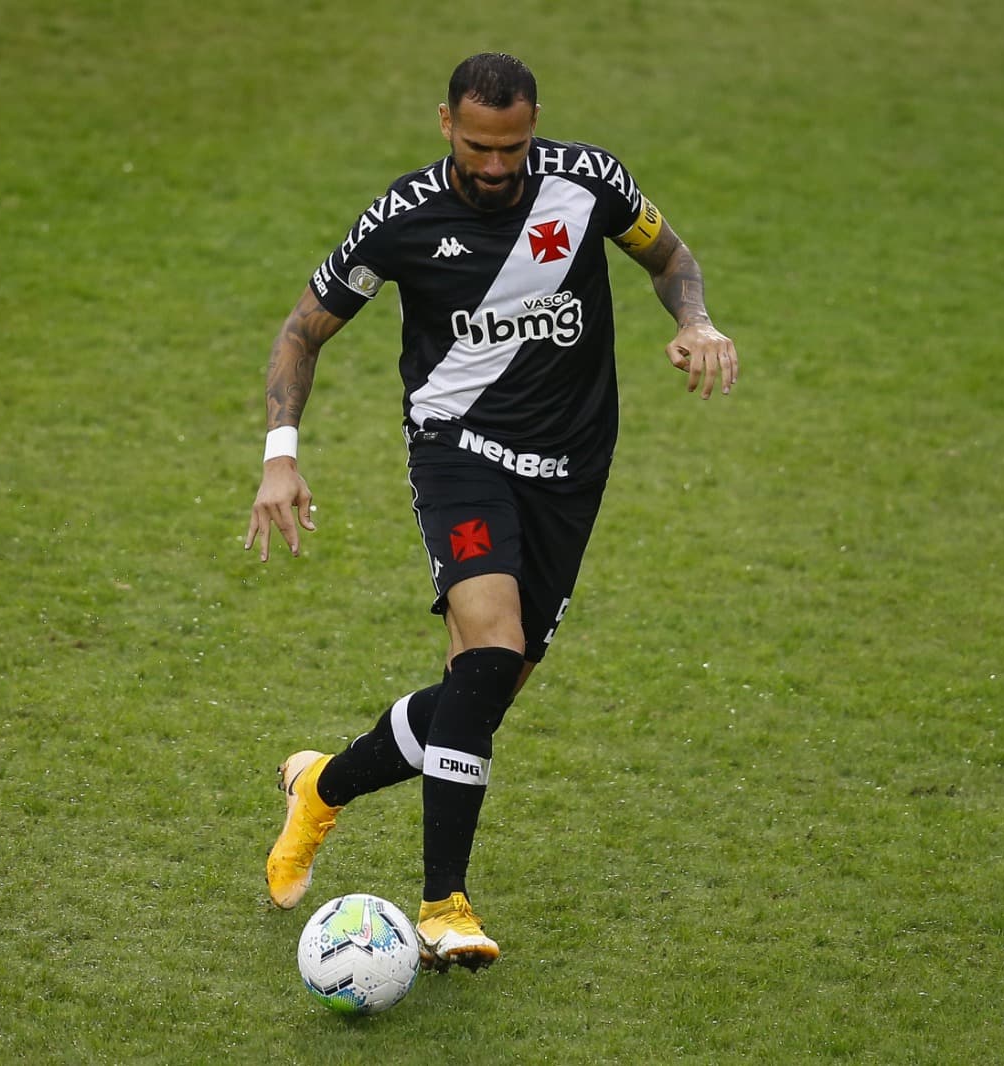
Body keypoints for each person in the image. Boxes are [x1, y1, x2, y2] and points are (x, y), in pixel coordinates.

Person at [244, 52, 738, 973]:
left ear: (535, 125)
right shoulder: (402, 219)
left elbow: (669, 258)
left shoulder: (588, 182)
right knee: (491, 649)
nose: (498, 167)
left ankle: (321, 785)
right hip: (458, 454)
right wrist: (282, 457)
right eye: (477, 146)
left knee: (481, 695)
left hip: (571, 473)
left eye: (513, 147)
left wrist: (695, 320)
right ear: (445, 125)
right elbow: (301, 329)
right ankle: (443, 907)